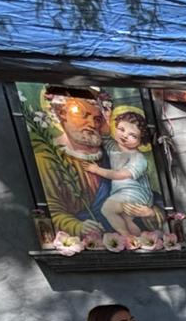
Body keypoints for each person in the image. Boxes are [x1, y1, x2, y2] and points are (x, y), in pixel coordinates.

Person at [36, 88, 161, 235]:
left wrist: (152, 213)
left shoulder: (111, 152)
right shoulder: (48, 158)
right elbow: (52, 210)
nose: (92, 124)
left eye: (97, 119)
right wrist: (77, 227)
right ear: (61, 114)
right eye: (83, 115)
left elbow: (143, 191)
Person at [84, 108, 157, 236]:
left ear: (142, 140)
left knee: (107, 209)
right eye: (121, 129)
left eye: (133, 135)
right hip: (120, 192)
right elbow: (104, 135)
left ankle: (126, 236)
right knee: (126, 220)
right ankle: (136, 239)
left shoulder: (138, 158)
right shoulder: (112, 146)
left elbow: (120, 175)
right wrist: (106, 118)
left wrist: (97, 170)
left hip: (135, 193)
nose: (124, 136)